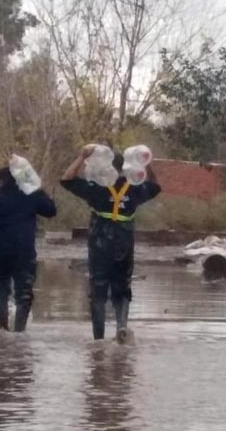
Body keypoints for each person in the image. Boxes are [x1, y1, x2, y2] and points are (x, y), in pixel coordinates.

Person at [60, 145, 161, 343]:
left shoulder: (97, 188)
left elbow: (67, 179)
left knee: (98, 290)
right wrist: (147, 165)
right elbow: (156, 186)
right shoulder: (134, 188)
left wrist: (81, 157)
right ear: (126, 167)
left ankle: (98, 339)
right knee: (122, 287)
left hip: (100, 243)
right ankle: (122, 326)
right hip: (124, 243)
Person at [0, 167, 57, 332]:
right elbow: (51, 210)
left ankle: (2, 330)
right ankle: (19, 333)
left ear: (1, 182)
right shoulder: (31, 198)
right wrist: (38, 188)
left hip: (0, 255)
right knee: (24, 295)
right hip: (24, 255)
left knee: (1, 295)